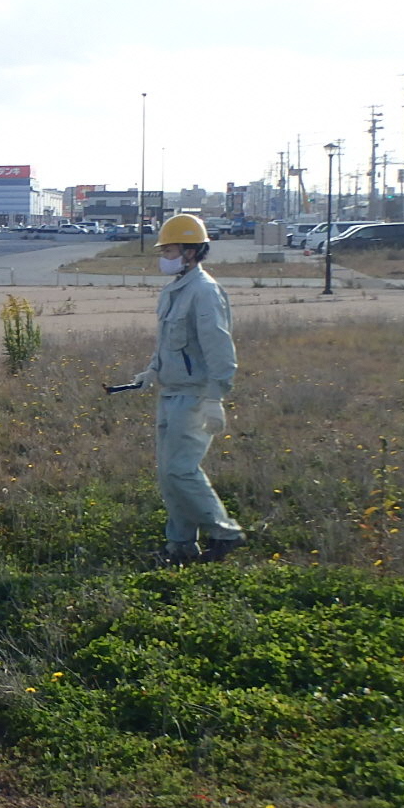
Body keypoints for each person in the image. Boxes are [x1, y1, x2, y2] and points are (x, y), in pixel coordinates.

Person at [127, 214, 244, 564]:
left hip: (194, 396)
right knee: (168, 474)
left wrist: (214, 397)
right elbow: (169, 341)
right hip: (171, 392)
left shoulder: (204, 292)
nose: (165, 255)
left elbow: (220, 350)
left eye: (171, 249)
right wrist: (152, 370)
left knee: (181, 470)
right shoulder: (176, 290)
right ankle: (180, 545)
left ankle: (226, 532)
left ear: (191, 251)